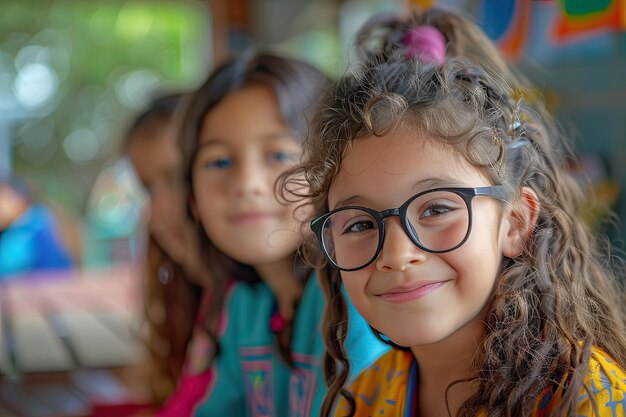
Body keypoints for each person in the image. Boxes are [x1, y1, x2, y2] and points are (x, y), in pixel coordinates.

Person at [284, 7, 626, 417]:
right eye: (359, 223)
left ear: (515, 222)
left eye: (436, 209)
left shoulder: (586, 401)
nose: (396, 255)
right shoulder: (367, 397)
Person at [156, 51, 386, 417]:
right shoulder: (245, 305)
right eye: (220, 162)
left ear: (333, 171)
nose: (247, 185)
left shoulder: (353, 294)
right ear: (193, 198)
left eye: (278, 155)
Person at [123, 93, 208, 405]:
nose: (158, 210)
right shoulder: (199, 299)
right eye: (148, 188)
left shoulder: (251, 302)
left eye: (176, 179)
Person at [0, 176, 74, 279]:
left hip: (48, 283)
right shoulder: (27, 222)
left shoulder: (33, 223)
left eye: (2, 199)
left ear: (18, 199)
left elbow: (10, 265)